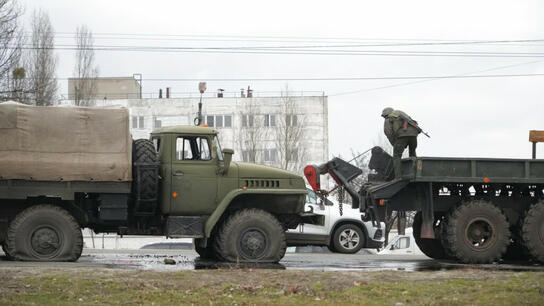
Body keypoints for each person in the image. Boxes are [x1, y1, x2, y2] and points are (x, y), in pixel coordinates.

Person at [381, 107, 420, 178]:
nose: (384, 118)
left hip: (402, 135)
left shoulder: (389, 118)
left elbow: (388, 132)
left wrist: (394, 143)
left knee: (396, 156)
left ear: (386, 114)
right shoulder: (402, 114)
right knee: (412, 153)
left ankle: (398, 177)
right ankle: (416, 174)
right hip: (414, 134)